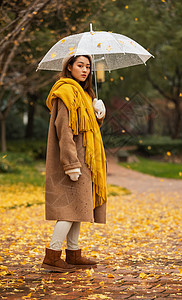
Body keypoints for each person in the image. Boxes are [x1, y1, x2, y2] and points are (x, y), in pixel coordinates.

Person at [41, 55, 107, 272]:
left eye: (88, 66)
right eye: (80, 65)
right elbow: (64, 129)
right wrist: (71, 164)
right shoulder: (66, 92)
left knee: (79, 207)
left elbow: (87, 127)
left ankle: (73, 253)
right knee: (69, 210)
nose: (85, 70)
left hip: (86, 159)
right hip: (73, 161)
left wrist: (98, 114)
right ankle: (52, 256)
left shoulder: (86, 94)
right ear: (69, 67)